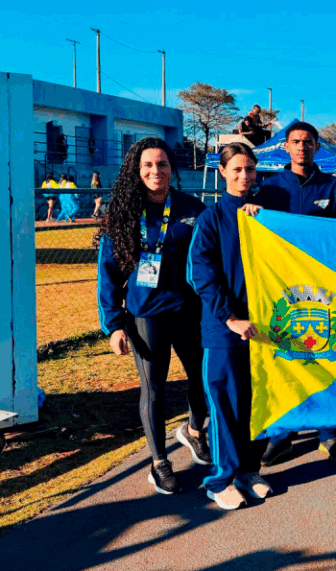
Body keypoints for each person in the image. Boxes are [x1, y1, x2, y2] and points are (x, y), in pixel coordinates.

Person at [96, 137, 210, 496]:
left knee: (204, 380)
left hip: (191, 311)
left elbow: (217, 250)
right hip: (147, 314)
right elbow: (108, 272)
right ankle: (159, 462)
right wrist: (114, 324)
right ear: (136, 169)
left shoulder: (194, 208)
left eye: (161, 164)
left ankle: (193, 431)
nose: (155, 171)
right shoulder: (124, 214)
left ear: (172, 169)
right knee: (155, 390)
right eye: (147, 165)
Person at [255, 121, 336, 465]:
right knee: (286, 359)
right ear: (285, 147)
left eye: (308, 142)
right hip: (280, 289)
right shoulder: (268, 188)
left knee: (321, 357)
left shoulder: (334, 187)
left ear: (317, 147)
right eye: (295, 142)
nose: (301, 147)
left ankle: (328, 431)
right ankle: (282, 433)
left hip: (322, 289)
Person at [187, 142, 273, 510]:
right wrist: (231, 318)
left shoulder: (264, 213)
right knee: (224, 403)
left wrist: (263, 220)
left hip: (263, 327)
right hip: (224, 330)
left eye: (249, 170)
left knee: (256, 402)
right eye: (236, 170)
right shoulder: (210, 219)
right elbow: (200, 275)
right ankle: (219, 478)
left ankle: (248, 470)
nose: (243, 176)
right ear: (222, 173)